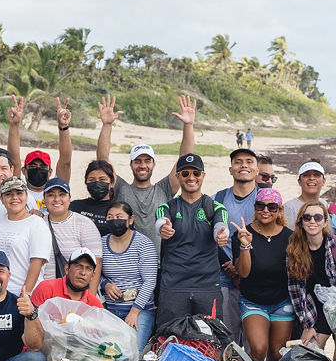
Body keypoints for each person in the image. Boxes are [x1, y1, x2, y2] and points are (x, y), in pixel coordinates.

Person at [94, 93, 197, 245]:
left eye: (147, 161)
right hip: (128, 261)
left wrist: (188, 125)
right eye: (138, 161)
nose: (142, 165)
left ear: (153, 164)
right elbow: (103, 162)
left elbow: (185, 159)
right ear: (131, 165)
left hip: (159, 265)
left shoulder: (165, 189)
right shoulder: (121, 188)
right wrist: (107, 125)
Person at [154, 153, 231, 331]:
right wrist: (162, 229)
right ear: (177, 176)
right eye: (185, 173)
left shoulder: (214, 206)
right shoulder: (167, 207)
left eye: (196, 173)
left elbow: (221, 224)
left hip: (207, 287)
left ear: (203, 175)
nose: (191, 178)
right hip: (173, 287)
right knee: (169, 338)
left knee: (210, 340)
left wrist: (222, 235)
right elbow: (160, 221)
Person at [233, 187, 293, 361]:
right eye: (261, 206)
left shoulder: (291, 237)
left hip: (282, 302)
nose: (265, 210)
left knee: (278, 354)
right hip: (253, 301)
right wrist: (245, 245)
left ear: (279, 210)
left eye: (272, 207)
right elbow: (243, 273)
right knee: (258, 349)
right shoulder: (244, 233)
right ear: (255, 208)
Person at [285, 201, 336, 352]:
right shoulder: (293, 251)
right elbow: (296, 291)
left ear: (326, 222)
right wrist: (308, 325)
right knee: (310, 356)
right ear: (301, 222)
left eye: (318, 217)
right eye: (307, 217)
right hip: (314, 311)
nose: (312, 221)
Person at [213, 146, 260, 338]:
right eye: (238, 162)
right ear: (231, 169)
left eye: (249, 162)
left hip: (257, 281)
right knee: (227, 340)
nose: (244, 166)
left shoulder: (265, 200)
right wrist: (230, 268)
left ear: (257, 170)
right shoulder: (217, 198)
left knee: (255, 346)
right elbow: (212, 236)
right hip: (224, 279)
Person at [0, 177, 50, 297]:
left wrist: (25, 294)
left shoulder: (36, 223)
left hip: (19, 295)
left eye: (19, 193)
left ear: (26, 196)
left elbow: (37, 263)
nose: (14, 197)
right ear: (2, 199)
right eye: (8, 194)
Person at [100, 201, 158, 353]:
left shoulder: (143, 244)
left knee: (131, 353)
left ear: (130, 219)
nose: (114, 220)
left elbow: (150, 281)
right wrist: (105, 284)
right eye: (110, 217)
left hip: (140, 310)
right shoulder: (101, 244)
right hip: (110, 310)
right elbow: (95, 274)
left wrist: (134, 311)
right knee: (105, 354)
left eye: (119, 216)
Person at [40, 178, 103, 288]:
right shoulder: (37, 224)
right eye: (51, 195)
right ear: (44, 199)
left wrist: (87, 301)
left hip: (76, 296)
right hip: (45, 294)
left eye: (62, 194)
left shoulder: (84, 224)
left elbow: (96, 265)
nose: (56, 199)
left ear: (69, 198)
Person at [8, 96, 74, 197]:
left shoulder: (57, 191)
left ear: (50, 171)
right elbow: (13, 160)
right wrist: (14, 124)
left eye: (43, 166)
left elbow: (65, 162)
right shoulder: (18, 191)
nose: (38, 169)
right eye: (33, 166)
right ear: (23, 171)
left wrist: (63, 126)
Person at [31, 248, 106, 308]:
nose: (83, 273)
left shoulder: (95, 305)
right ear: (67, 269)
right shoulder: (46, 288)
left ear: (92, 276)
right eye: (78, 266)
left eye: (88, 269)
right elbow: (31, 324)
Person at [72, 159, 118, 232]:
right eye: (92, 180)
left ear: (111, 183)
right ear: (86, 182)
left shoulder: (119, 209)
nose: (97, 184)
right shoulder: (74, 207)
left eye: (102, 180)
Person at [283, 161, 326, 227]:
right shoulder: (289, 208)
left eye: (316, 175)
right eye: (306, 175)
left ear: (323, 181)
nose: (311, 178)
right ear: (299, 181)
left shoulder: (324, 204)